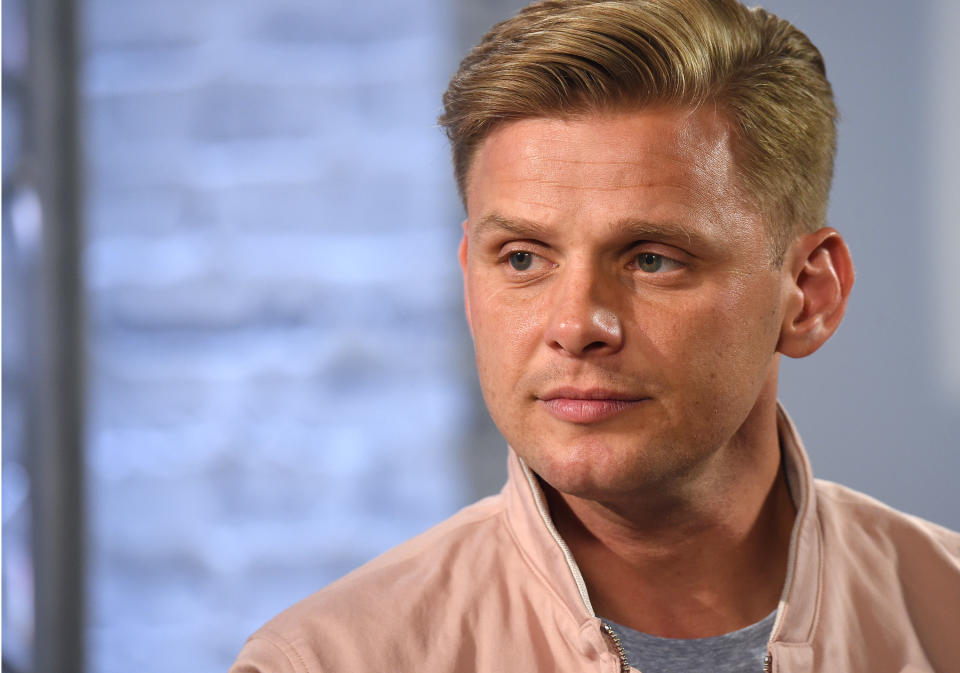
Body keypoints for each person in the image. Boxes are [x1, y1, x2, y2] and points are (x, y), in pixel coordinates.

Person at [230, 1, 960, 671]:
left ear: (809, 295)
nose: (576, 324)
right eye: (523, 258)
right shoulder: (327, 659)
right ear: (469, 279)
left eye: (652, 258)